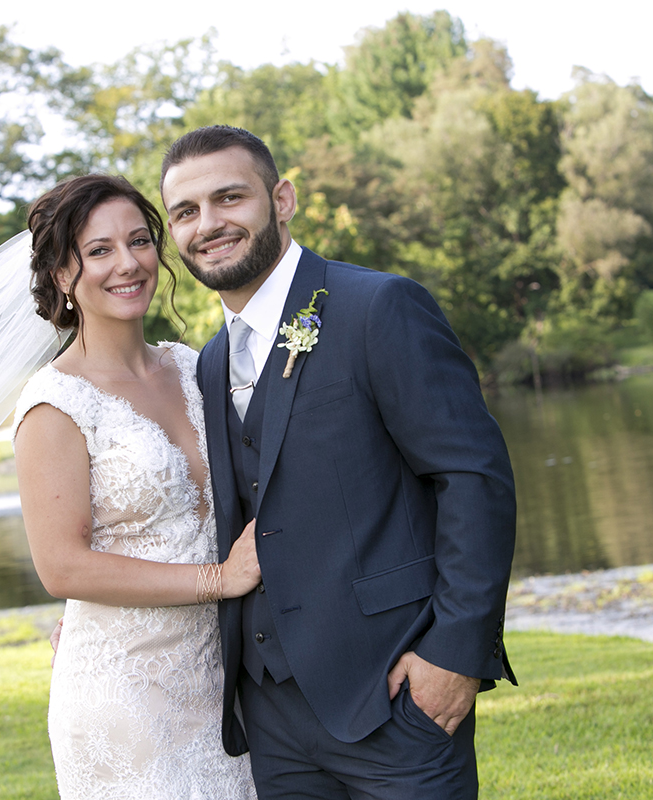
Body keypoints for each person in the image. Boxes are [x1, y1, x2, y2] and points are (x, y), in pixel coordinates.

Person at [159, 125, 518, 798]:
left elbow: (474, 480)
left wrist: (454, 653)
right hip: (268, 715)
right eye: (186, 211)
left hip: (395, 692)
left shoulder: (378, 306)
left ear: (282, 200)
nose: (208, 225)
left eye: (229, 198)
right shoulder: (209, 361)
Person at [11, 174, 260, 799]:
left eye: (140, 241)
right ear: (62, 275)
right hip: (124, 697)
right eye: (99, 250)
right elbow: (62, 567)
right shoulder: (55, 403)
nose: (127, 263)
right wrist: (220, 579)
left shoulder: (193, 366)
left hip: (225, 682)